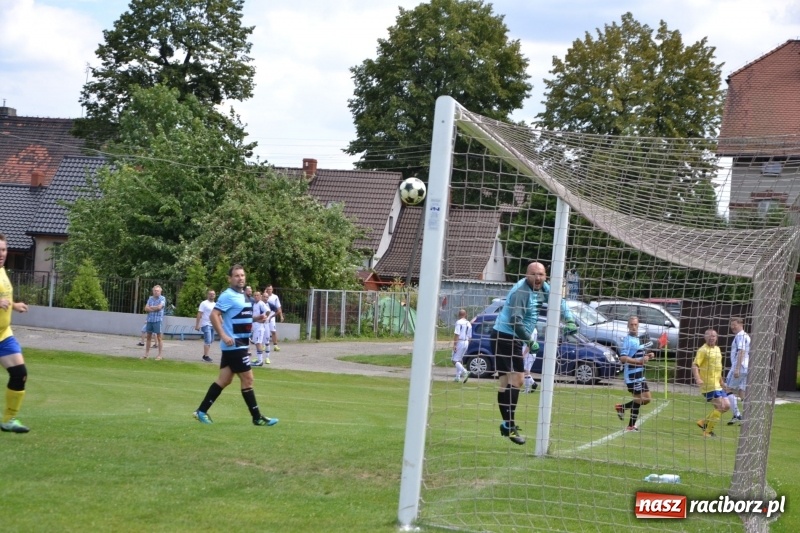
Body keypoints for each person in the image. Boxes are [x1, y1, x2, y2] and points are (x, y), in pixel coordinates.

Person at [491, 261, 576, 445]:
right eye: (534, 274)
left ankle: (507, 425)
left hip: (511, 337)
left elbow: (558, 301)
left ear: (545, 276)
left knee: (506, 382)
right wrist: (530, 341)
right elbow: (515, 321)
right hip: (505, 335)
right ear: (526, 275)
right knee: (517, 380)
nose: (538, 278)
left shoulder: (543, 287)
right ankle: (509, 425)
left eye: (541, 274)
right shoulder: (522, 292)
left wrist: (569, 319)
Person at [193, 264, 278, 427]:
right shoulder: (227, 295)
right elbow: (214, 315)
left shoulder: (243, 295)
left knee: (224, 380)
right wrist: (223, 336)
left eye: (242, 275)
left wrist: (256, 319)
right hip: (234, 345)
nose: (240, 278)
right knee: (248, 379)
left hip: (241, 343)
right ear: (230, 278)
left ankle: (201, 411)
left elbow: (238, 316)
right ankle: (257, 417)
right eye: (237, 276)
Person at [0, 234, 31, 433]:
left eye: (3, 250)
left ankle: (9, 420)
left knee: (20, 374)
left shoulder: (2, 271)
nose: (1, 254)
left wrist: (14, 304)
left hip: (3, 334)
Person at [614, 316, 654, 432]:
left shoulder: (639, 339)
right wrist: (638, 361)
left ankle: (621, 407)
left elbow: (643, 354)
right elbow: (622, 358)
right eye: (631, 325)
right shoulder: (627, 340)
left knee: (646, 399)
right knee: (639, 399)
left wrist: (649, 356)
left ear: (638, 325)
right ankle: (631, 426)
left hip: (640, 374)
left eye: (635, 325)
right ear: (628, 326)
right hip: (632, 376)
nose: (633, 327)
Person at [692, 328, 730, 437]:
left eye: (713, 336)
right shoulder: (702, 350)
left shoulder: (718, 349)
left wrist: (722, 381)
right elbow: (695, 365)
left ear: (716, 338)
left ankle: (703, 422)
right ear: (705, 337)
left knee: (726, 406)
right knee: (720, 407)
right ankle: (707, 431)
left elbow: (718, 367)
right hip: (708, 385)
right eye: (709, 336)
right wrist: (698, 378)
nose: (711, 338)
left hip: (717, 384)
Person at [726, 317, 750, 425]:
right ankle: (746, 417)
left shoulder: (740, 336)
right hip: (746, 367)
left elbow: (741, 351)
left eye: (734, 325)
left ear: (741, 324)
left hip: (739, 366)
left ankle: (737, 415)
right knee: (741, 391)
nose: (732, 327)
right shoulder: (745, 336)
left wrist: (737, 368)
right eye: (731, 325)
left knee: (727, 389)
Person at [141, 285, 166, 360]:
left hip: (158, 319)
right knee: (148, 336)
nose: (156, 292)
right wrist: (154, 308)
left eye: (157, 291)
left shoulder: (162, 298)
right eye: (155, 290)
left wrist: (151, 308)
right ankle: (146, 354)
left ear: (160, 291)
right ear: (153, 291)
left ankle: (159, 355)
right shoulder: (150, 298)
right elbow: (146, 308)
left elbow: (159, 307)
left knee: (159, 337)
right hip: (150, 319)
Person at [194, 289, 216, 363]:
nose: (212, 295)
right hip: (206, 324)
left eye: (213, 294)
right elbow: (199, 314)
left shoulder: (215, 304)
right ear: (207, 295)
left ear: (215, 295)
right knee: (208, 340)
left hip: (213, 324)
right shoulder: (204, 303)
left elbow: (218, 315)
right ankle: (205, 356)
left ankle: (206, 355)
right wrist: (197, 325)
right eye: (210, 294)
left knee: (211, 340)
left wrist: (222, 323)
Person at [249, 291, 270, 366]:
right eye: (255, 295)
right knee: (256, 342)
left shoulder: (261, 303)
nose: (256, 296)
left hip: (259, 326)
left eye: (257, 295)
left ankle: (260, 361)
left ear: (260, 296)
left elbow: (268, 311)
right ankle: (258, 359)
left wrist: (265, 319)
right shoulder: (255, 304)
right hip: (255, 326)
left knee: (258, 342)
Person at [451, 309, 472, 383]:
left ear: (459, 315)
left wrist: (455, 344)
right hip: (466, 342)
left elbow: (457, 334)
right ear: (465, 315)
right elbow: (470, 336)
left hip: (460, 341)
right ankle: (457, 377)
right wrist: (467, 345)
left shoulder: (459, 322)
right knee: (459, 360)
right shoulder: (469, 323)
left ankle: (465, 371)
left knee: (454, 360)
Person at [265, 285, 283, 352]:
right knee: (264, 331)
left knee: (273, 331)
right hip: (264, 316)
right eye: (268, 289)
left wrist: (281, 316)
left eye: (270, 289)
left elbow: (278, 307)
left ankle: (275, 345)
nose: (269, 290)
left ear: (272, 290)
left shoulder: (275, 297)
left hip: (272, 316)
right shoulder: (263, 296)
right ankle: (264, 345)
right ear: (266, 289)